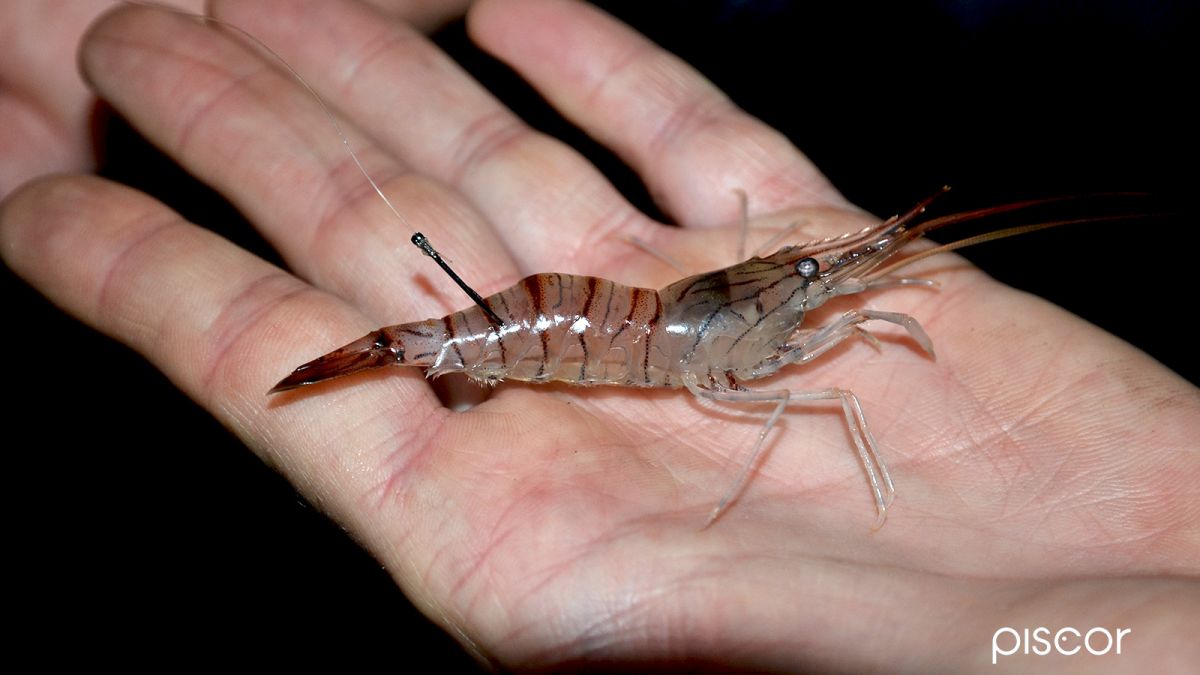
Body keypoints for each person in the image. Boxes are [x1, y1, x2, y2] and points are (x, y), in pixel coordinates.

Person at [2, 0, 1196, 670]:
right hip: (583, 330)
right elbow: (788, 326)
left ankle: (422, 347)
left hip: (610, 323)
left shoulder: (784, 290)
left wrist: (842, 275)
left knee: (860, 312)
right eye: (820, 270)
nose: (837, 284)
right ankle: (426, 349)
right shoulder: (755, 345)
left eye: (820, 273)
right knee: (825, 380)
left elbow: (804, 278)